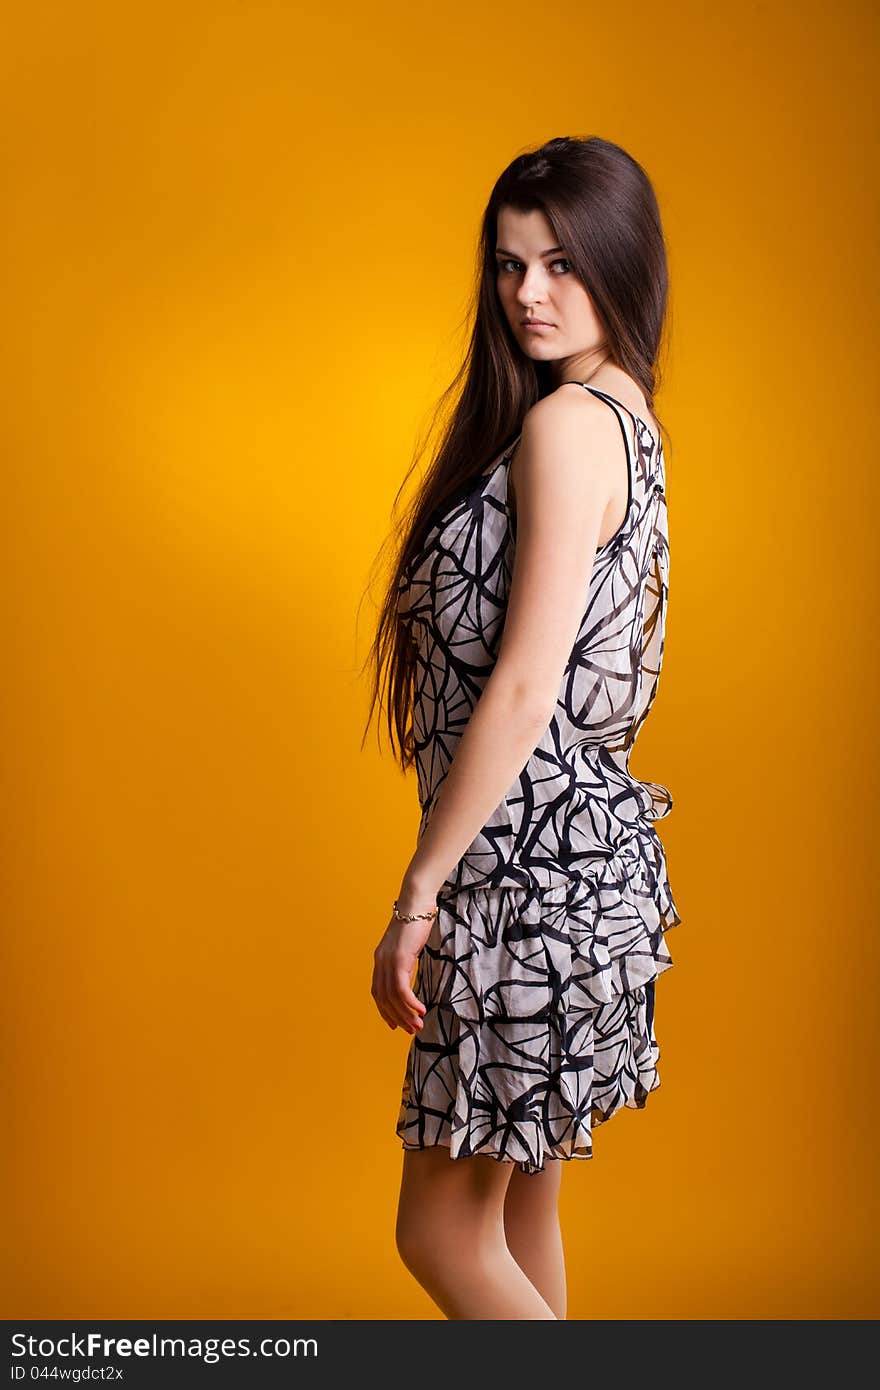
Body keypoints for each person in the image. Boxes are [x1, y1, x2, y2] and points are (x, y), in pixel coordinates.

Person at [363, 135, 682, 1320]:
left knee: (441, 1234)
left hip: (527, 878)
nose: (528, 295)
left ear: (621, 267)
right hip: (589, 873)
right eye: (507, 266)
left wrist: (420, 890)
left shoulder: (563, 429)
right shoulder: (620, 418)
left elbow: (520, 687)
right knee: (518, 1212)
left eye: (560, 265)